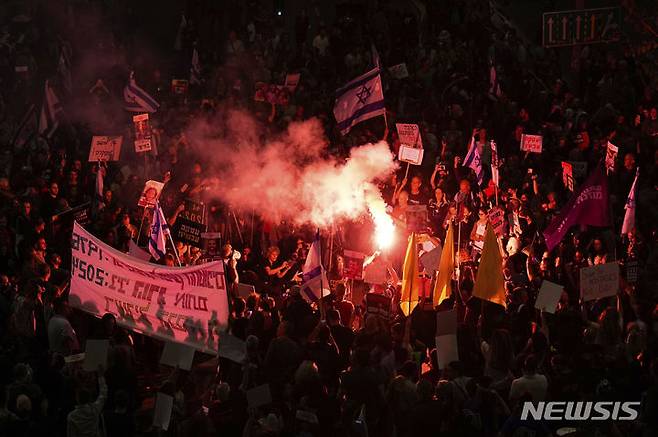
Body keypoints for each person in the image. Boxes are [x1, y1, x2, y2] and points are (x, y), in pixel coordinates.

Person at [66, 366, 107, 437]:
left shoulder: (72, 416)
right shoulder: (95, 409)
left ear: (77, 399)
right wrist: (101, 376)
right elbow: (103, 394)